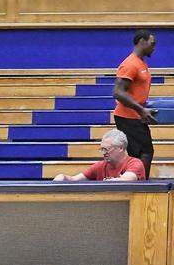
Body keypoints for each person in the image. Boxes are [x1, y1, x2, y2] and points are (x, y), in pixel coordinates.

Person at [113, 29, 157, 179]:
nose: (154, 47)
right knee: (143, 152)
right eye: (152, 44)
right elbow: (118, 92)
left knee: (142, 152)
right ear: (142, 42)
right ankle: (140, 187)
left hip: (135, 117)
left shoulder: (141, 63)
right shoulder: (130, 64)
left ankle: (138, 184)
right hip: (128, 117)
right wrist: (140, 109)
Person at [53, 130, 146, 182]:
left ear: (121, 148)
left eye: (107, 149)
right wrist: (63, 177)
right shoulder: (100, 166)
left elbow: (128, 180)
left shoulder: (134, 163)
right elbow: (74, 179)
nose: (104, 153)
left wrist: (106, 182)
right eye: (102, 149)